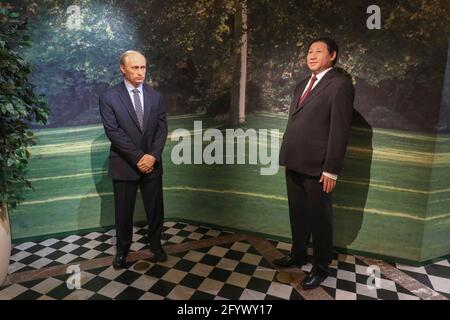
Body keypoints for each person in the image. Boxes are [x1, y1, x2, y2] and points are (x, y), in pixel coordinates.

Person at [275, 38, 354, 289]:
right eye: (309, 51)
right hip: (294, 160)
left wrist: (331, 169)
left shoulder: (339, 85)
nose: (312, 55)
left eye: (318, 51)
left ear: (332, 55)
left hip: (319, 167)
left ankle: (321, 268)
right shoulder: (301, 85)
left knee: (320, 219)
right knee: (297, 214)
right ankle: (298, 255)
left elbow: (339, 130)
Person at [99, 50, 168, 269]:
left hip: (152, 164)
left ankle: (156, 245)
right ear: (123, 69)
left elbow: (162, 129)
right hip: (124, 164)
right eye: (135, 68)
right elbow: (113, 131)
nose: (140, 72)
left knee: (156, 209)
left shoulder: (155, 96)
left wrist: (152, 156)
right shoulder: (109, 97)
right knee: (123, 212)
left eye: (143, 67)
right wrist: (139, 157)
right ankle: (122, 251)